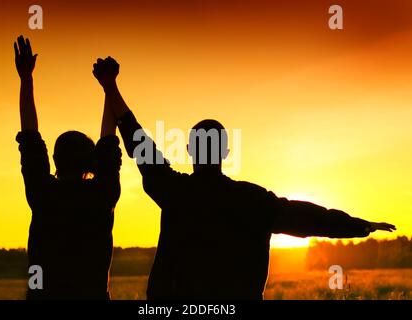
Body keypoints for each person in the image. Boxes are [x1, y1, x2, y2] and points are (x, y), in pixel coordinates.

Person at [93, 57, 396, 300]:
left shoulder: (175, 191)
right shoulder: (254, 200)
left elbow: (139, 143)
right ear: (225, 151)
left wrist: (111, 86)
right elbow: (311, 218)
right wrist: (362, 225)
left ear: (189, 150)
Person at [14, 36, 121, 299]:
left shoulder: (42, 192)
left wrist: (26, 78)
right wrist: (110, 86)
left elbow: (29, 134)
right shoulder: (102, 194)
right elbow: (109, 139)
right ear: (91, 162)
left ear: (55, 160)